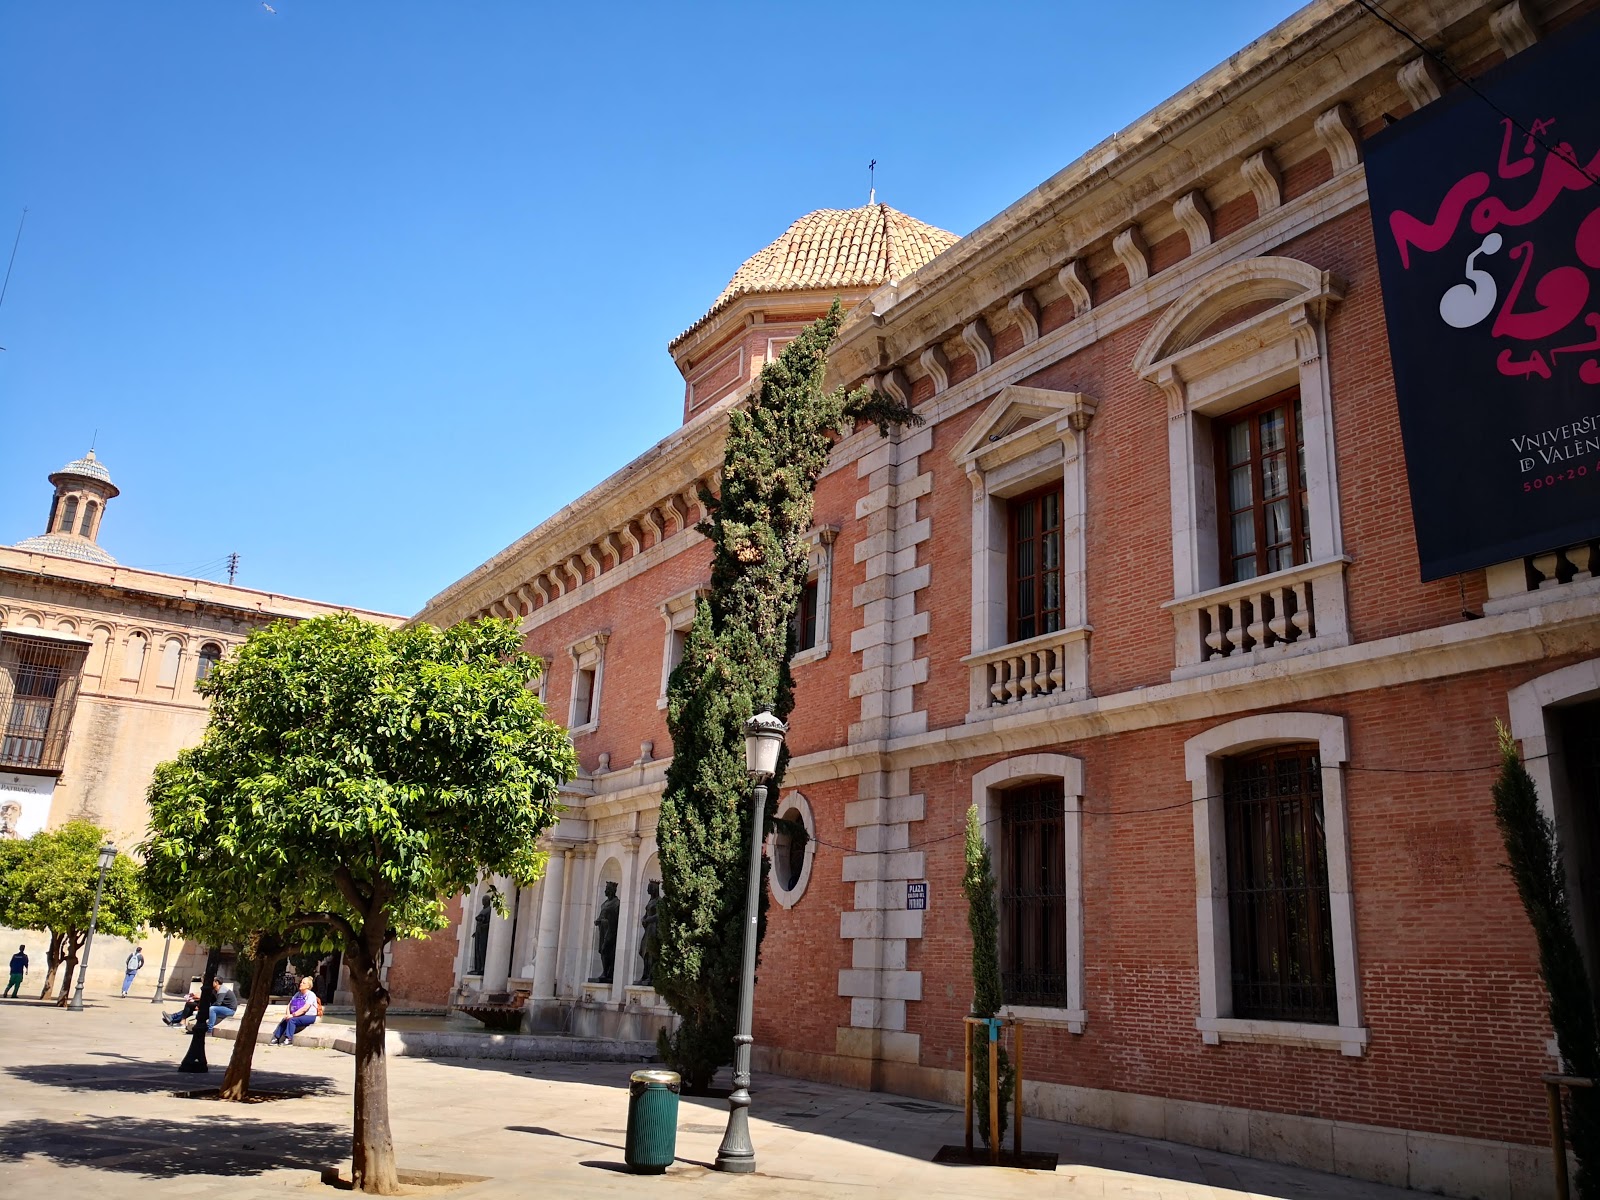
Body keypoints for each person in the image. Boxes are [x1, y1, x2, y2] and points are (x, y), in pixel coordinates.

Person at [269, 976, 322, 1045]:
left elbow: (305, 1008)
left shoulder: (311, 995)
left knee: (292, 1020)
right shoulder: (297, 994)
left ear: (308, 986)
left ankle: (289, 1039)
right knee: (285, 1020)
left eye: (303, 983)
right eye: (301, 982)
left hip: (309, 1016)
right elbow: (289, 1004)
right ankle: (276, 1038)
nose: (301, 984)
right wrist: (288, 1015)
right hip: (298, 1015)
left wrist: (293, 1015)